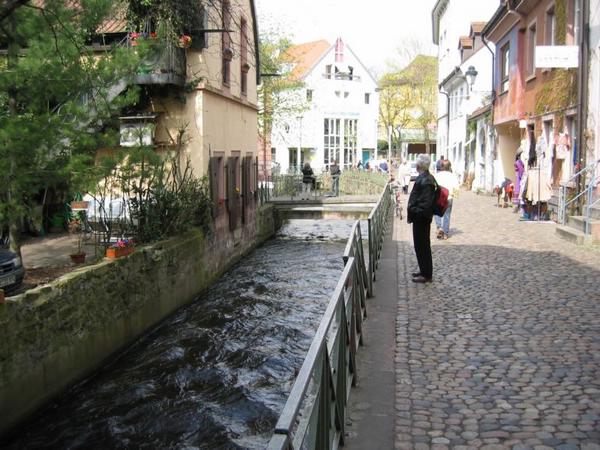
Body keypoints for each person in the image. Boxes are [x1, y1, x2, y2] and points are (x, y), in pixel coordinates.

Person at [407, 154, 436, 283]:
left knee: (422, 245)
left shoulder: (426, 180)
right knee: (420, 245)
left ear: (420, 165)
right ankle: (423, 270)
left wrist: (414, 211)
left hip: (421, 218)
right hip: (421, 217)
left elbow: (425, 203)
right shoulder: (427, 178)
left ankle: (426, 274)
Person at [434, 160, 460, 240]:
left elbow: (433, 186)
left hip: (438, 197)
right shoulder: (452, 176)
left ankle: (439, 227)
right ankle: (445, 233)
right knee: (447, 215)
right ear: (449, 167)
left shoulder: (437, 175)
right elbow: (456, 187)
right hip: (449, 197)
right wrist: (455, 195)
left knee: (437, 213)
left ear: (441, 166)